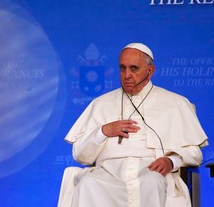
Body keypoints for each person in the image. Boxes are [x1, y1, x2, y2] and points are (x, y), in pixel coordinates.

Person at [59, 43, 208, 207]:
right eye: (122, 68)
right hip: (107, 174)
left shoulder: (176, 103)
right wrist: (104, 131)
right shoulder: (101, 103)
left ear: (150, 71)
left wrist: (171, 161)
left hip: (151, 172)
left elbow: (195, 153)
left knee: (152, 182)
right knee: (88, 183)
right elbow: (80, 155)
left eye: (134, 68)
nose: (127, 75)